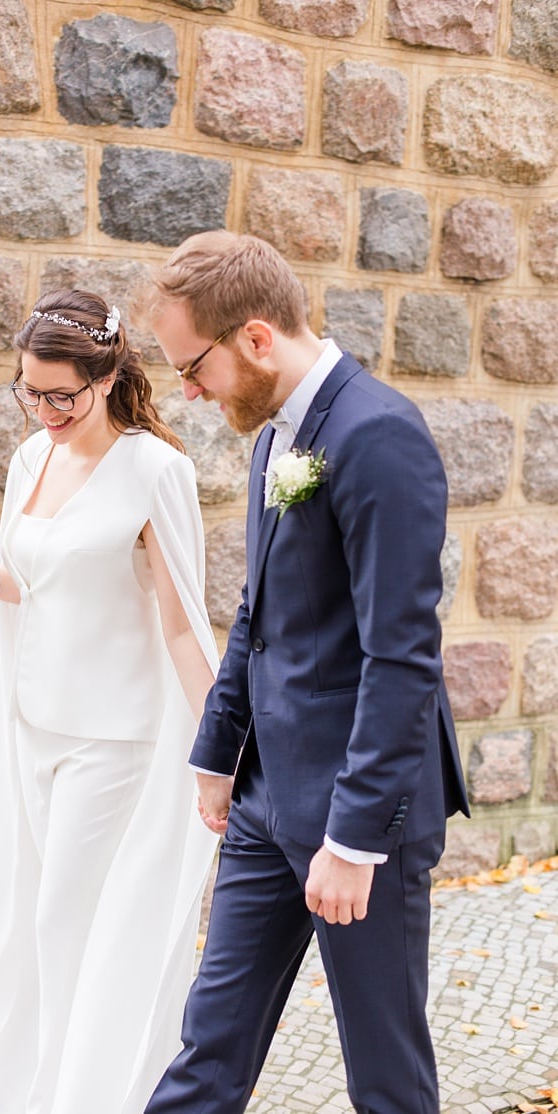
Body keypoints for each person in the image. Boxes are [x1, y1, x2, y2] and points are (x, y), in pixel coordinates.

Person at [138, 231, 469, 1114]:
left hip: (362, 817)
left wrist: (356, 842)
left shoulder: (380, 435)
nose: (188, 390)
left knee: (386, 1078)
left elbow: (401, 658)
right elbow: (259, 614)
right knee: (209, 1048)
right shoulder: (271, 439)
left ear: (253, 337)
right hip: (263, 799)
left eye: (192, 366)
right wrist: (217, 758)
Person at [0, 289, 221, 1113]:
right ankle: (57, 1082)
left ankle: (82, 1094)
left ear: (108, 375)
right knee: (34, 916)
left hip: (113, 739)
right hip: (33, 725)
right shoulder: (31, 460)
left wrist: (218, 749)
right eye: (31, 390)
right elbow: (46, 582)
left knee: (67, 919)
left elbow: (182, 623)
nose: (46, 409)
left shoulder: (156, 469)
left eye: (63, 394)